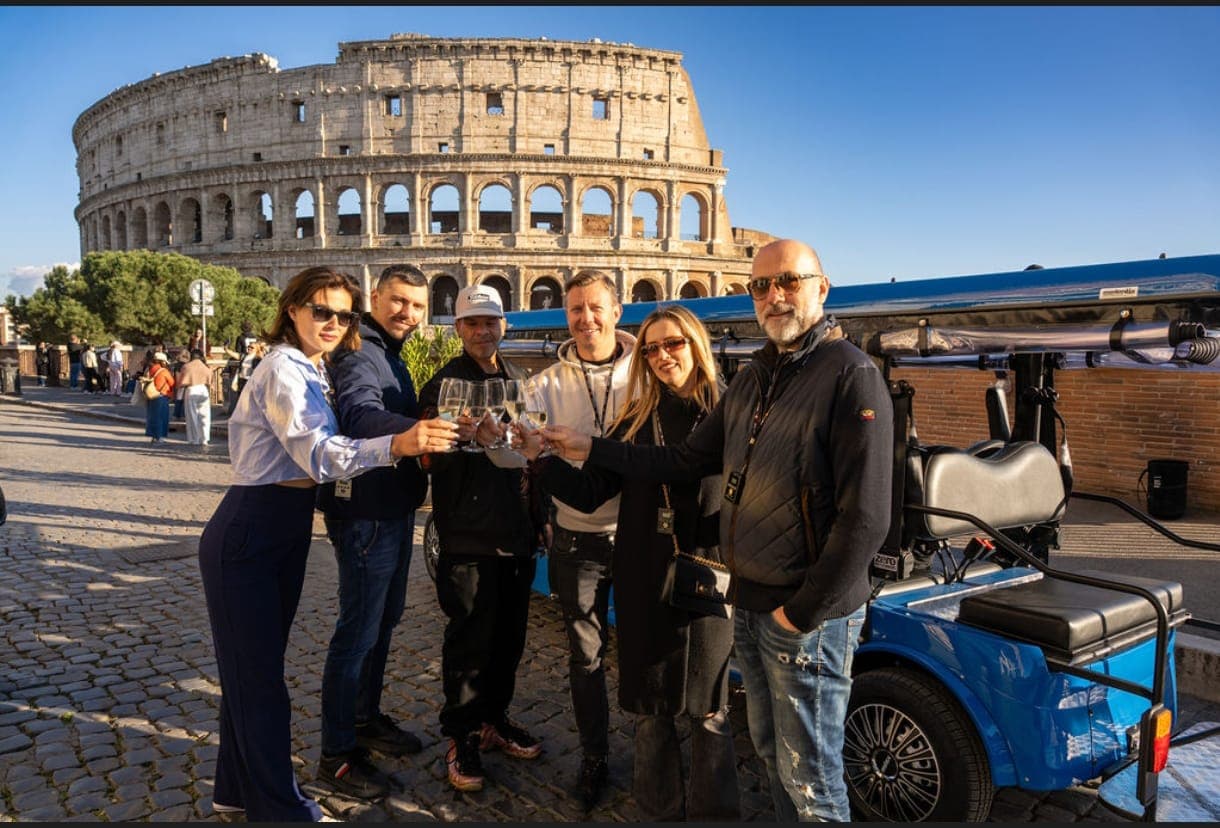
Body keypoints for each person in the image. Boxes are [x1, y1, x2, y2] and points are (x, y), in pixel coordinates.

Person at [543, 239, 894, 821]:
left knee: (801, 769)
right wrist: (567, 451)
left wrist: (799, 613)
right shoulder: (759, 378)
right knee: (765, 753)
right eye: (761, 286)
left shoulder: (841, 375)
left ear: (821, 287)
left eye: (789, 282)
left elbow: (866, 518)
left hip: (765, 604)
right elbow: (673, 464)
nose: (774, 296)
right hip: (719, 595)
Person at [197, 266, 458, 822]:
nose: (335, 322)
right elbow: (320, 454)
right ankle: (282, 809)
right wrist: (400, 443)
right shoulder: (284, 367)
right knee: (261, 681)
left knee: (251, 672)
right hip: (252, 526)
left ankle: (234, 791)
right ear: (292, 309)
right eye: (322, 310)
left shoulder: (314, 369)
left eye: (343, 314)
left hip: (285, 525)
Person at [521, 305, 739, 820]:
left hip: (707, 571)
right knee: (650, 704)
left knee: (709, 707)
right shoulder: (637, 416)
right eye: (653, 348)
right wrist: (541, 458)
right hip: (645, 573)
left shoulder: (726, 411)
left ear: (697, 344)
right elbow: (593, 492)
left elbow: (683, 464)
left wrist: (593, 445)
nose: (664, 356)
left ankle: (714, 816)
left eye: (674, 344)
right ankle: (657, 810)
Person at [418, 284, 548, 794]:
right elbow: (428, 452)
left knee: (510, 639)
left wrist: (539, 518)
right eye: (472, 322)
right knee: (469, 640)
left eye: (490, 322)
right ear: (458, 329)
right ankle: (462, 734)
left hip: (514, 533)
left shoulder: (516, 379)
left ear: (504, 326)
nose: (482, 331)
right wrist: (462, 432)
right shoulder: (443, 384)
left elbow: (530, 460)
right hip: (467, 534)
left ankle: (493, 719)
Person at [313, 264, 437, 799]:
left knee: (382, 624)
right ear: (376, 298)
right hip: (364, 511)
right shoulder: (362, 349)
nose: (408, 313)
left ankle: (365, 718)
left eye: (417, 305)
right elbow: (361, 416)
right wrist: (421, 433)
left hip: (390, 509)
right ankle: (337, 754)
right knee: (357, 633)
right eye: (399, 301)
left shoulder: (388, 351)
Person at [524, 269, 636, 810]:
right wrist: (498, 438)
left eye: (596, 307)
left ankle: (660, 747)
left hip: (642, 537)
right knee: (586, 657)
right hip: (576, 538)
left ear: (618, 311)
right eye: (575, 310)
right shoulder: (544, 384)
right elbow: (514, 448)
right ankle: (595, 756)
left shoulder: (649, 371)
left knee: (649, 649)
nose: (586, 318)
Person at [177, 349, 213, 446]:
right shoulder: (206, 367)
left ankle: (194, 439)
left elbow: (181, 382)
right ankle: (205, 438)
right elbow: (210, 381)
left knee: (192, 415)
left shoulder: (186, 366)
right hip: (203, 389)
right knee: (205, 415)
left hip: (192, 389)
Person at [143, 351, 174, 444]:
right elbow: (172, 382)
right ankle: (160, 437)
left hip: (151, 395)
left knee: (152, 417)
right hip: (161, 396)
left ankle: (153, 436)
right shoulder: (164, 371)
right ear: (162, 361)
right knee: (162, 417)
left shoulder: (150, 370)